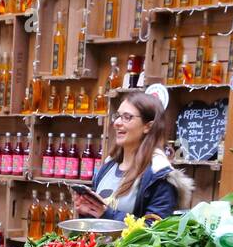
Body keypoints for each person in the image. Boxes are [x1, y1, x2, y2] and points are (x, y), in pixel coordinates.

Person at [73, 93, 191, 222]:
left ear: (148, 126)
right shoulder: (108, 168)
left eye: (127, 117)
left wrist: (108, 214)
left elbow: (155, 230)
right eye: (117, 116)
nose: (117, 123)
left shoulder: (159, 176)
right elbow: (97, 219)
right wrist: (87, 210)